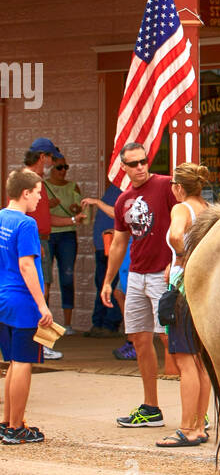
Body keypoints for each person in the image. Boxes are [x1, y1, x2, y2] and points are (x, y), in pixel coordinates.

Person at [101, 141, 175, 428]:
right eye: (133, 163)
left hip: (163, 274)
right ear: (124, 168)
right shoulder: (122, 201)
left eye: (144, 161)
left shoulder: (167, 185)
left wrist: (177, 259)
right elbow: (119, 242)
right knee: (140, 339)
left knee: (174, 342)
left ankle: (196, 410)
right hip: (136, 275)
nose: (141, 167)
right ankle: (151, 407)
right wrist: (108, 281)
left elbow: (189, 220)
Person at [156, 163, 212, 448]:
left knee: (185, 361)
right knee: (200, 361)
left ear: (178, 187)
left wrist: (179, 258)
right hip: (203, 289)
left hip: (183, 289)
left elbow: (178, 236)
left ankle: (188, 427)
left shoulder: (182, 208)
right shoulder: (207, 208)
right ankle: (200, 425)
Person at [0, 167, 54, 445]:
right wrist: (42, 305)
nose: (39, 199)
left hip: (3, 299)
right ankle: (16, 428)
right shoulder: (26, 224)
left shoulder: (1, 219)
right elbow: (26, 265)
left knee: (12, 362)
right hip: (22, 302)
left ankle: (9, 422)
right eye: (37, 193)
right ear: (25, 193)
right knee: (23, 363)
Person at [24, 139, 63, 360]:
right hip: (36, 240)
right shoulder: (28, 179)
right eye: (51, 158)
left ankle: (38, 343)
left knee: (41, 289)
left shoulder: (35, 180)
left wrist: (74, 218)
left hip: (41, 238)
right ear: (42, 157)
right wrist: (33, 240)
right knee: (39, 291)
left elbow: (46, 218)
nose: (52, 163)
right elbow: (20, 210)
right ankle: (39, 343)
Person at [43, 154, 85, 330]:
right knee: (45, 280)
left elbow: (81, 211)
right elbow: (37, 209)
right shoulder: (43, 186)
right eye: (59, 168)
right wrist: (47, 206)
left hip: (68, 234)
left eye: (65, 167)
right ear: (51, 169)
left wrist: (76, 209)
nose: (63, 171)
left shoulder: (73, 186)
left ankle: (67, 324)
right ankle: (44, 321)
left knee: (67, 277)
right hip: (49, 234)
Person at [78, 181, 124, 337]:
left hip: (117, 246)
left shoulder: (130, 190)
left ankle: (110, 325)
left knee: (114, 286)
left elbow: (119, 214)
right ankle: (98, 323)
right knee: (102, 284)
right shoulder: (112, 189)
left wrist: (97, 202)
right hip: (103, 245)